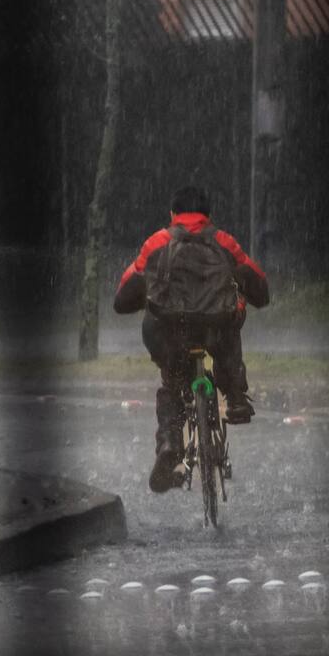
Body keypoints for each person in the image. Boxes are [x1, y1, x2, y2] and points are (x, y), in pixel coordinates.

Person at [114, 185, 268, 493]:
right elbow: (260, 291)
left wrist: (147, 297)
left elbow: (122, 299)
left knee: (172, 382)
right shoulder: (223, 242)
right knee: (231, 322)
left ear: (172, 215)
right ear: (209, 216)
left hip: (171, 334)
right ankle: (235, 395)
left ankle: (170, 441)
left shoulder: (157, 243)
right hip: (215, 331)